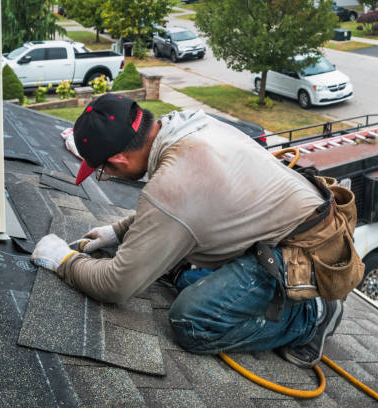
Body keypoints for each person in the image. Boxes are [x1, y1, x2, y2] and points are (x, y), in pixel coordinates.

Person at [31, 94, 344, 367]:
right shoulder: (185, 126)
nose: (105, 175)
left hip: (306, 252)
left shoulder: (173, 182)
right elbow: (186, 207)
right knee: (181, 271)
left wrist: (63, 261)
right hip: (299, 222)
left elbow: (116, 285)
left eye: (104, 170)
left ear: (119, 158)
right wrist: (117, 231)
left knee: (191, 321)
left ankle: (310, 316)